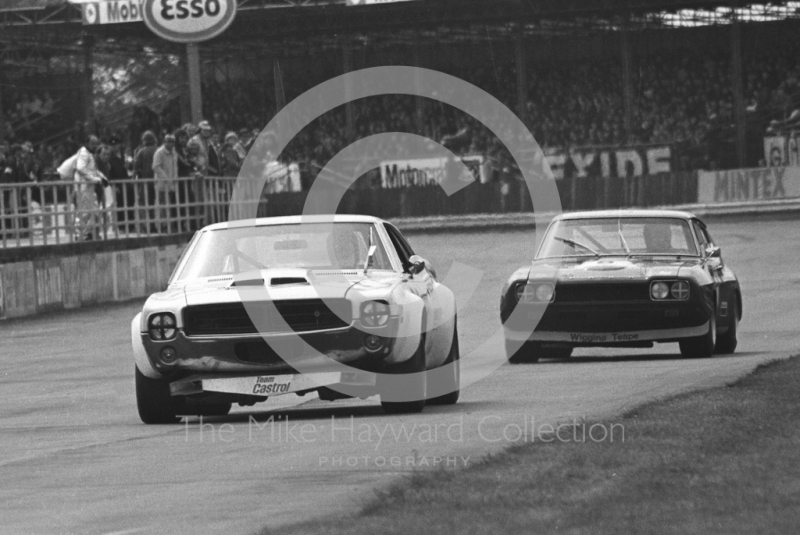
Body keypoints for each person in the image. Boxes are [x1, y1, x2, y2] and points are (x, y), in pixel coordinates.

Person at [72, 135, 108, 241]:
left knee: (92, 210)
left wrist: (102, 178)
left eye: (96, 143)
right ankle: (82, 234)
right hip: (84, 186)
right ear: (87, 143)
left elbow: (93, 170)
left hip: (88, 187)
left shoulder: (89, 154)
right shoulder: (84, 153)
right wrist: (94, 179)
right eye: (93, 143)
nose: (95, 146)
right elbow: (80, 168)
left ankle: (89, 233)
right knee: (85, 211)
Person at [152, 134, 178, 233]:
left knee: (170, 205)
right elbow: (156, 166)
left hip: (172, 184)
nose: (170, 144)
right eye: (168, 141)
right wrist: (165, 178)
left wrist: (175, 178)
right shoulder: (159, 152)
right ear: (165, 142)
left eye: (172, 142)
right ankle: (161, 226)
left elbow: (175, 166)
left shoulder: (174, 153)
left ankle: (169, 225)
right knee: (161, 205)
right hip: (161, 184)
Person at [132, 130, 158, 233]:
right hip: (157, 180)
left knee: (146, 205)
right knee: (158, 204)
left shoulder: (141, 152)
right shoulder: (158, 149)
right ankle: (158, 225)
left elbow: (135, 168)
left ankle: (148, 227)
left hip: (145, 182)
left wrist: (134, 181)